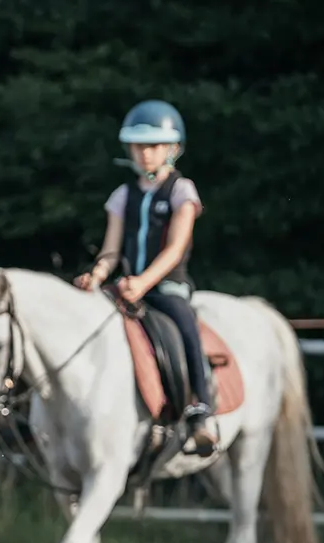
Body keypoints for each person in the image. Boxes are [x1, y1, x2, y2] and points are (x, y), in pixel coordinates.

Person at [72, 99, 217, 455]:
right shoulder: (123, 195)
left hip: (165, 286)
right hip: (126, 287)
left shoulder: (183, 191)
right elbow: (110, 249)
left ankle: (200, 408)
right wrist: (98, 274)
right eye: (138, 146)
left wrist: (143, 282)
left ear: (173, 149)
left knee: (185, 326)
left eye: (152, 146)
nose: (144, 154)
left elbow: (175, 248)